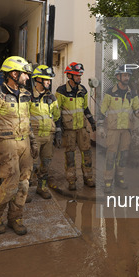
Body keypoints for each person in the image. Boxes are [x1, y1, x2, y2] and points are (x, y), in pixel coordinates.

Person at [0, 56, 39, 235]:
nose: (27, 78)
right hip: (7, 143)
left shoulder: (26, 95)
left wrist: (34, 140)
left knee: (24, 184)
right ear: (14, 74)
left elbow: (28, 121)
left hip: (25, 143)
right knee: (11, 183)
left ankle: (15, 217)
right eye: (25, 74)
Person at [100, 65, 139, 193]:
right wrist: (101, 126)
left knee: (123, 155)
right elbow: (102, 110)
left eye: (128, 75)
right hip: (113, 129)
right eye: (124, 75)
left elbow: (136, 108)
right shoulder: (110, 92)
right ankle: (108, 181)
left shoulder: (132, 93)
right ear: (118, 77)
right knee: (111, 155)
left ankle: (120, 178)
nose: (127, 77)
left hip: (126, 130)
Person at [55, 62, 96, 191]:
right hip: (69, 130)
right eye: (77, 75)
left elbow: (85, 108)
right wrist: (58, 130)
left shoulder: (83, 90)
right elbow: (57, 111)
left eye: (80, 75)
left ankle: (88, 178)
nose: (79, 78)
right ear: (70, 76)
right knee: (70, 155)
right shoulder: (61, 91)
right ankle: (71, 180)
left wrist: (92, 121)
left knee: (87, 153)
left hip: (82, 128)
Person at [29, 64, 60, 199]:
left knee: (46, 164)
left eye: (49, 80)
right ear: (38, 80)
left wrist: (57, 132)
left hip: (48, 136)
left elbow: (57, 116)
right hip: (33, 137)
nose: (49, 82)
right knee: (30, 165)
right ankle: (24, 192)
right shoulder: (28, 96)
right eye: (46, 79)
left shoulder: (51, 98)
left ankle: (41, 187)